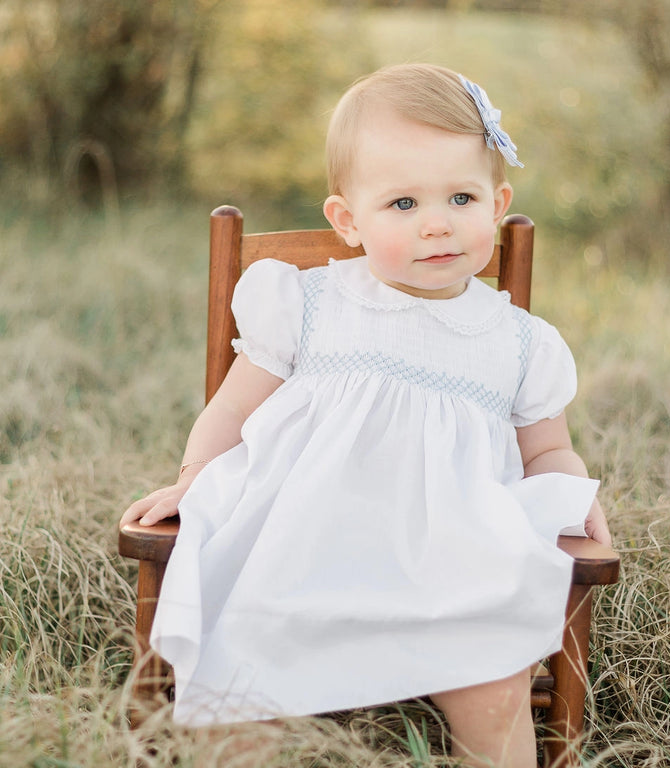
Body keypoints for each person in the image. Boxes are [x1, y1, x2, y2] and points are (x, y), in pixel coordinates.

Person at [121, 63, 611, 768]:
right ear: (348, 221)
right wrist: (195, 475)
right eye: (403, 204)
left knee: (494, 688)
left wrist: (574, 491)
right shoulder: (306, 302)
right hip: (299, 540)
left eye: (462, 197)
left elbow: (547, 452)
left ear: (498, 204)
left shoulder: (521, 342)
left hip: (452, 555)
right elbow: (233, 406)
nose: (438, 223)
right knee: (242, 678)